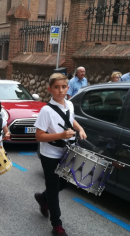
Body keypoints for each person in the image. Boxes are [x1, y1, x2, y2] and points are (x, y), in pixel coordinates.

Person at [33, 73, 87, 236]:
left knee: (65, 184)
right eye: (56, 87)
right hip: (49, 155)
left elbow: (70, 120)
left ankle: (43, 198)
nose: (60, 90)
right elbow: (39, 136)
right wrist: (61, 135)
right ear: (50, 89)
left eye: (63, 87)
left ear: (68, 88)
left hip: (66, 152)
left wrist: (80, 128)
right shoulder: (46, 111)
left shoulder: (69, 105)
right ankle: (57, 224)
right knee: (53, 186)